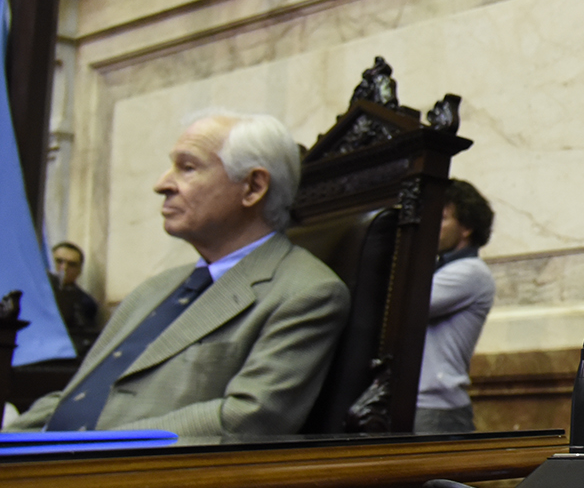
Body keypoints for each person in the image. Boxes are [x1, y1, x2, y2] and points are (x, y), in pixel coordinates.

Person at [10, 111, 350, 436]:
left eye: (187, 167)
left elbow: (245, 419)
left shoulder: (306, 292)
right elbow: (77, 397)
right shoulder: (155, 289)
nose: (162, 184)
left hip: (128, 482)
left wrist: (86, 445)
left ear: (253, 188)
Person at [415, 179, 496, 434]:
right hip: (423, 405)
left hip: (436, 409)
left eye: (441, 219)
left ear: (466, 227)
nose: (429, 227)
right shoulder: (443, 268)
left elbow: (409, 304)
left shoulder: (470, 272)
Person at [48, 241, 99, 339]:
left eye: (72, 264)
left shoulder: (85, 302)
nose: (64, 268)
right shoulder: (34, 292)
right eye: (59, 261)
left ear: (79, 270)